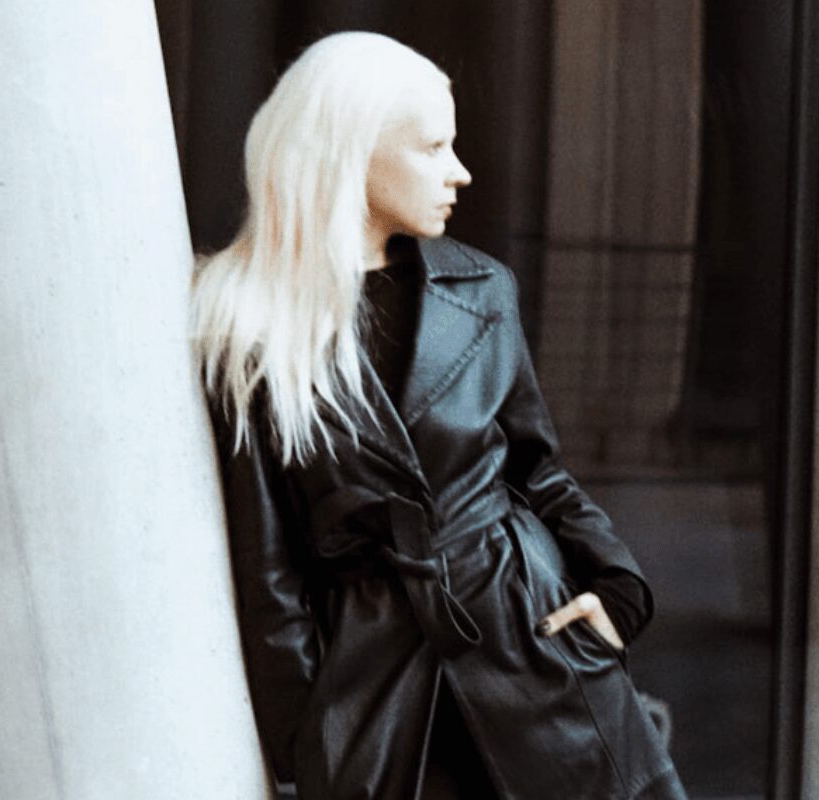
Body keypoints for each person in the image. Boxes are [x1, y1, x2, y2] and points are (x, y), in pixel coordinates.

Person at [191, 31, 687, 800]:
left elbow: (537, 472)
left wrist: (614, 586)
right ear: (350, 151)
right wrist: (306, 739)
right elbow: (268, 569)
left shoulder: (483, 291)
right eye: (432, 148)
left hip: (531, 643)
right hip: (376, 685)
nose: (460, 171)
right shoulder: (247, 323)